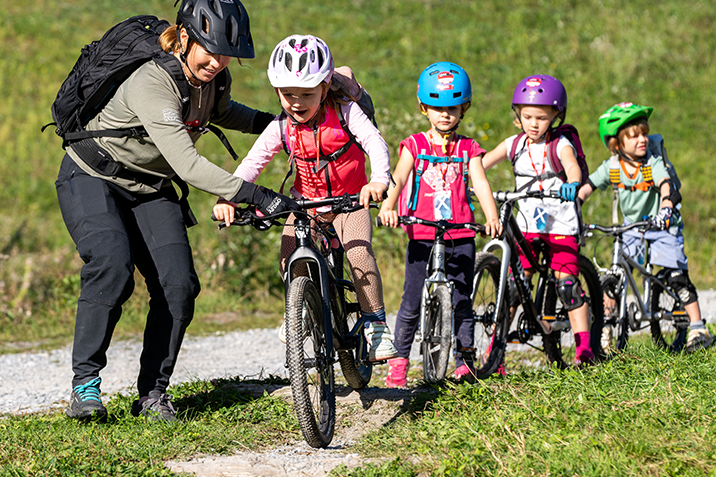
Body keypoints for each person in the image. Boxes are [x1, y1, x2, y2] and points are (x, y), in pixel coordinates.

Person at [55, 0, 299, 422]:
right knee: (111, 266)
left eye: (227, 55)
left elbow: (227, 114)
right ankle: (85, 386)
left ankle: (153, 394)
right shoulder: (153, 82)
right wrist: (256, 194)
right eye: (211, 51)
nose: (219, 62)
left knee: (179, 285)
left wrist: (281, 124)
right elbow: (187, 164)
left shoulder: (211, 80)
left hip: (150, 188)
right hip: (92, 177)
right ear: (184, 37)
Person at [212, 34, 398, 362]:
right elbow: (253, 162)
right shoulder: (282, 125)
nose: (296, 102)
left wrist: (379, 180)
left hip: (349, 200)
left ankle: (376, 325)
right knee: (288, 255)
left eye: (307, 94)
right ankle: (297, 311)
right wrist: (229, 198)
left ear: (325, 88)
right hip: (304, 203)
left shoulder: (345, 112)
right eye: (287, 94)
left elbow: (375, 142)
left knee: (358, 254)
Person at [378, 62, 502, 387]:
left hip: (460, 233)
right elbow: (400, 177)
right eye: (437, 107)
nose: (444, 114)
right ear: (424, 107)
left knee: (462, 298)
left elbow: (482, 183)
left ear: (464, 108)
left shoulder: (468, 149)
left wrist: (492, 217)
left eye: (452, 107)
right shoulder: (415, 145)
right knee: (411, 300)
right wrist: (389, 205)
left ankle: (465, 360)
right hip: (421, 232)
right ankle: (400, 360)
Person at [577, 102, 713, 353]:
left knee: (676, 276)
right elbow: (588, 187)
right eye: (634, 135)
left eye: (644, 133)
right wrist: (575, 205)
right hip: (632, 226)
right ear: (617, 143)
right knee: (616, 274)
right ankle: (606, 327)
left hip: (662, 222)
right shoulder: (613, 166)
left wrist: (665, 208)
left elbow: (664, 183)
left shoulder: (652, 162)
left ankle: (698, 328)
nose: (642, 139)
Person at [482, 74, 595, 366]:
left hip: (560, 225)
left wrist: (572, 182)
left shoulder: (559, 144)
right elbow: (480, 163)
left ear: (557, 116)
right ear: (518, 116)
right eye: (527, 116)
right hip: (529, 225)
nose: (534, 123)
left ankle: (584, 348)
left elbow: (572, 166)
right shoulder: (514, 144)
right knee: (512, 288)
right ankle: (495, 353)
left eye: (542, 118)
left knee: (567, 285)